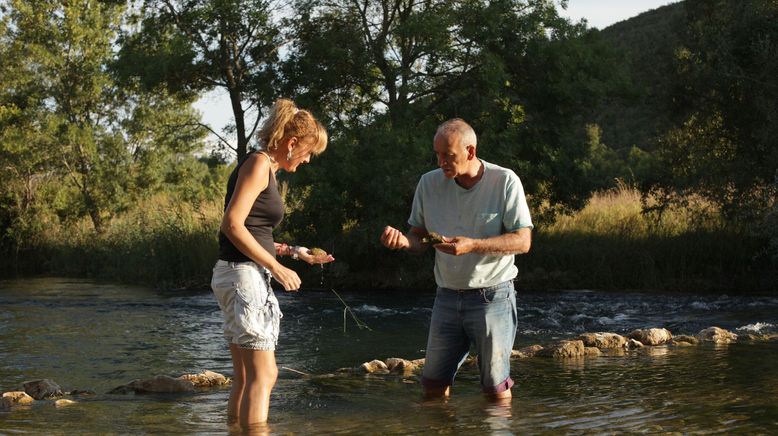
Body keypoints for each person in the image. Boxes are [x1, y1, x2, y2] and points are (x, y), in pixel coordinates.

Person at [380, 118, 533, 400]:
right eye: (437, 154)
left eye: (448, 156)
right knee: (433, 387)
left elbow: (523, 241)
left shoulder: (504, 181)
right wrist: (404, 241)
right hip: (447, 297)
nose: (441, 162)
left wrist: (473, 245)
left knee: (495, 391)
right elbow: (418, 237)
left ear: (470, 152)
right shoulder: (428, 183)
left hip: (493, 297)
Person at [211, 98, 334, 428]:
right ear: (292, 143)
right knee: (265, 375)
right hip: (243, 278)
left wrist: (295, 253)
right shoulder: (258, 165)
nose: (307, 160)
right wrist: (277, 269)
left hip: (235, 274)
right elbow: (232, 225)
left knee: (245, 375)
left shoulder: (262, 167)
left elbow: (253, 233)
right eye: (308, 152)